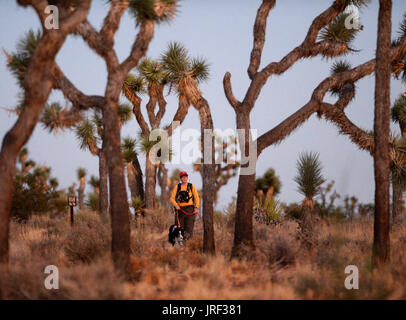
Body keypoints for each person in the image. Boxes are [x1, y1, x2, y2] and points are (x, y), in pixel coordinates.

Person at [170, 171, 200, 241]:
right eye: (183, 177)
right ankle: (180, 247)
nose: (185, 178)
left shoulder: (191, 186)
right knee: (179, 229)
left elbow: (196, 198)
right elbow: (172, 198)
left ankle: (188, 246)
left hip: (190, 210)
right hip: (180, 210)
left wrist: (196, 207)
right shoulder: (177, 187)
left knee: (189, 229)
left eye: (186, 177)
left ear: (187, 178)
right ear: (180, 178)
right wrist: (176, 205)